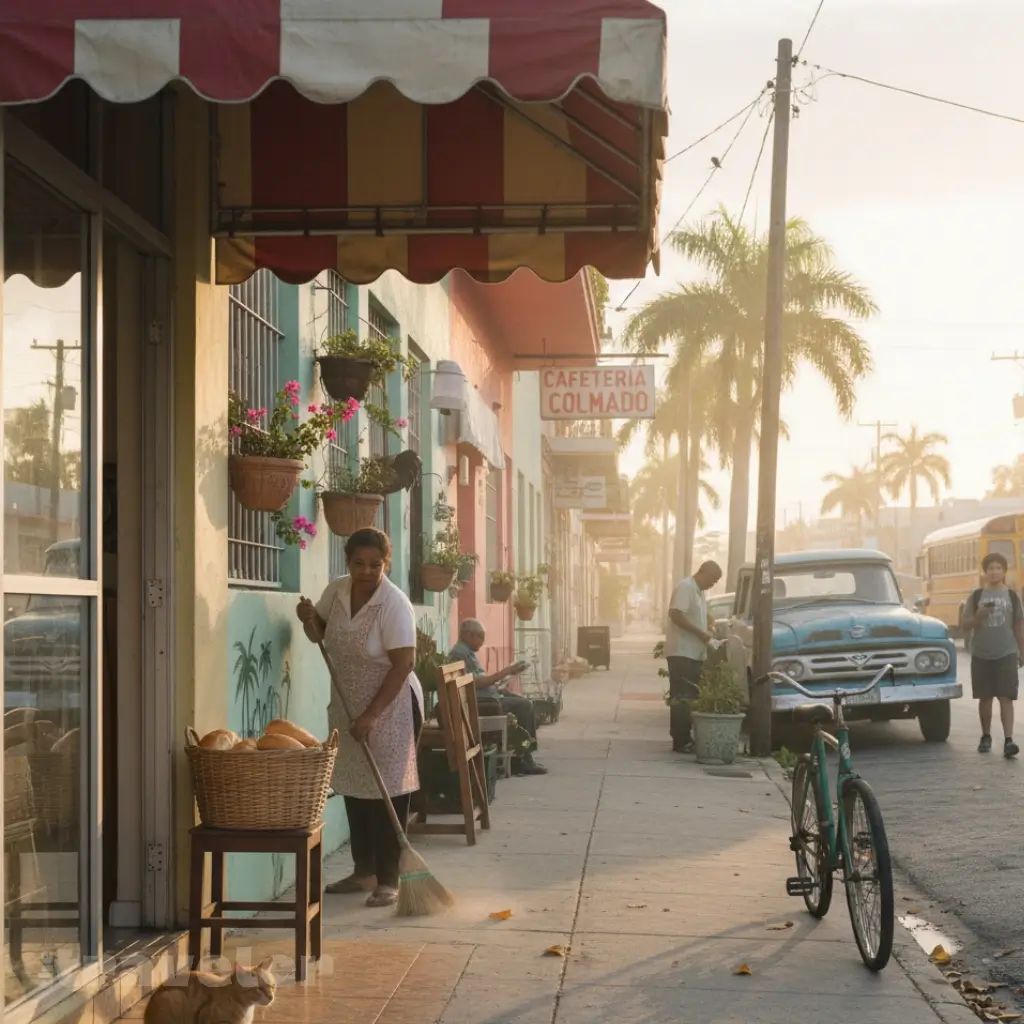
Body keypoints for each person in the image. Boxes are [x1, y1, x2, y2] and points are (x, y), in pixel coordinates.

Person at [296, 528, 423, 907]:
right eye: (358, 563)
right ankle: (363, 870)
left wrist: (371, 715)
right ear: (347, 561)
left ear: (387, 562)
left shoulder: (394, 604)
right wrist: (307, 619)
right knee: (355, 786)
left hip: (391, 703)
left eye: (375, 564)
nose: (367, 571)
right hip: (346, 701)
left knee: (388, 791)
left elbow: (404, 665)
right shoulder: (335, 592)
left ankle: (389, 878)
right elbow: (318, 635)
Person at [449, 619, 548, 776]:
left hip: (488, 697)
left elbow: (481, 680)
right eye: (480, 636)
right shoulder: (459, 653)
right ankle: (522, 759)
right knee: (525, 706)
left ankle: (521, 754)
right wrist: (505, 672)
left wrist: (501, 686)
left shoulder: (467, 652)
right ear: (467, 635)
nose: (483, 641)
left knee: (521, 701)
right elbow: (474, 682)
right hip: (481, 703)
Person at [961, 551, 1024, 758]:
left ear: (1004, 571)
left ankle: (1008, 740)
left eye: (998, 568)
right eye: (991, 568)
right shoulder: (976, 596)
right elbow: (965, 625)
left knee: (1006, 696)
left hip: (1006, 652)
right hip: (981, 654)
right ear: (985, 571)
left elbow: (1018, 625)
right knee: (985, 697)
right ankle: (986, 736)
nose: (995, 572)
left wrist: (1022, 652)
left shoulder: (1013, 596)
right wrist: (979, 616)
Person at [665, 560, 723, 753]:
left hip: (694, 653)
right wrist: (700, 633)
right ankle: (680, 740)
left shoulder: (699, 592)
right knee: (682, 696)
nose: (712, 585)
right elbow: (675, 614)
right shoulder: (686, 588)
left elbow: (701, 615)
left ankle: (686, 736)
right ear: (703, 573)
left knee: (690, 696)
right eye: (712, 580)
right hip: (682, 652)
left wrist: (710, 623)